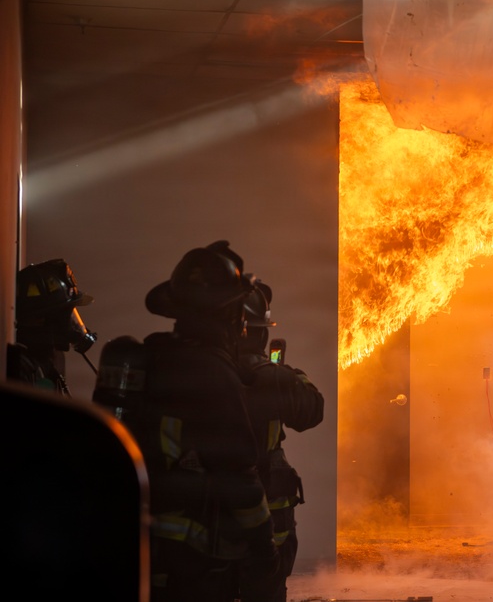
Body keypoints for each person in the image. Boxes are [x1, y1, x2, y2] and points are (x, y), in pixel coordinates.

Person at [93, 241, 277, 602]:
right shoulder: (212, 371)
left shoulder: (151, 356)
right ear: (229, 314)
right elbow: (238, 476)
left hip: (141, 549)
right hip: (193, 565)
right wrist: (264, 545)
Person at [235, 280, 324, 602]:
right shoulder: (271, 378)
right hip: (264, 517)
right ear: (256, 332)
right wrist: (287, 373)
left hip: (195, 529)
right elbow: (312, 411)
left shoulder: (181, 370)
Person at [7, 259, 97, 395]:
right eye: (68, 313)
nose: (75, 324)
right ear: (47, 318)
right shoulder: (20, 366)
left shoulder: (45, 361)